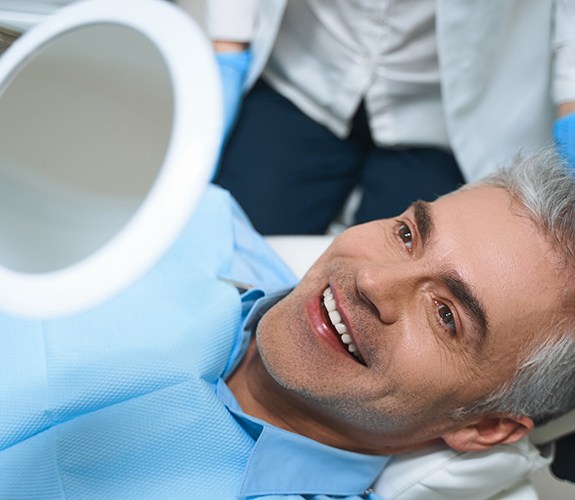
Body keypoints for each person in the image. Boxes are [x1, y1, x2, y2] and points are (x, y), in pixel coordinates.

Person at [1, 149, 575, 498]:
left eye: (446, 315)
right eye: (407, 234)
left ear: (486, 428)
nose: (374, 281)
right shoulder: (192, 222)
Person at [197, 0, 575, 235]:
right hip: (306, 70)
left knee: (398, 306)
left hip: (442, 114)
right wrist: (229, 41)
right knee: (227, 252)